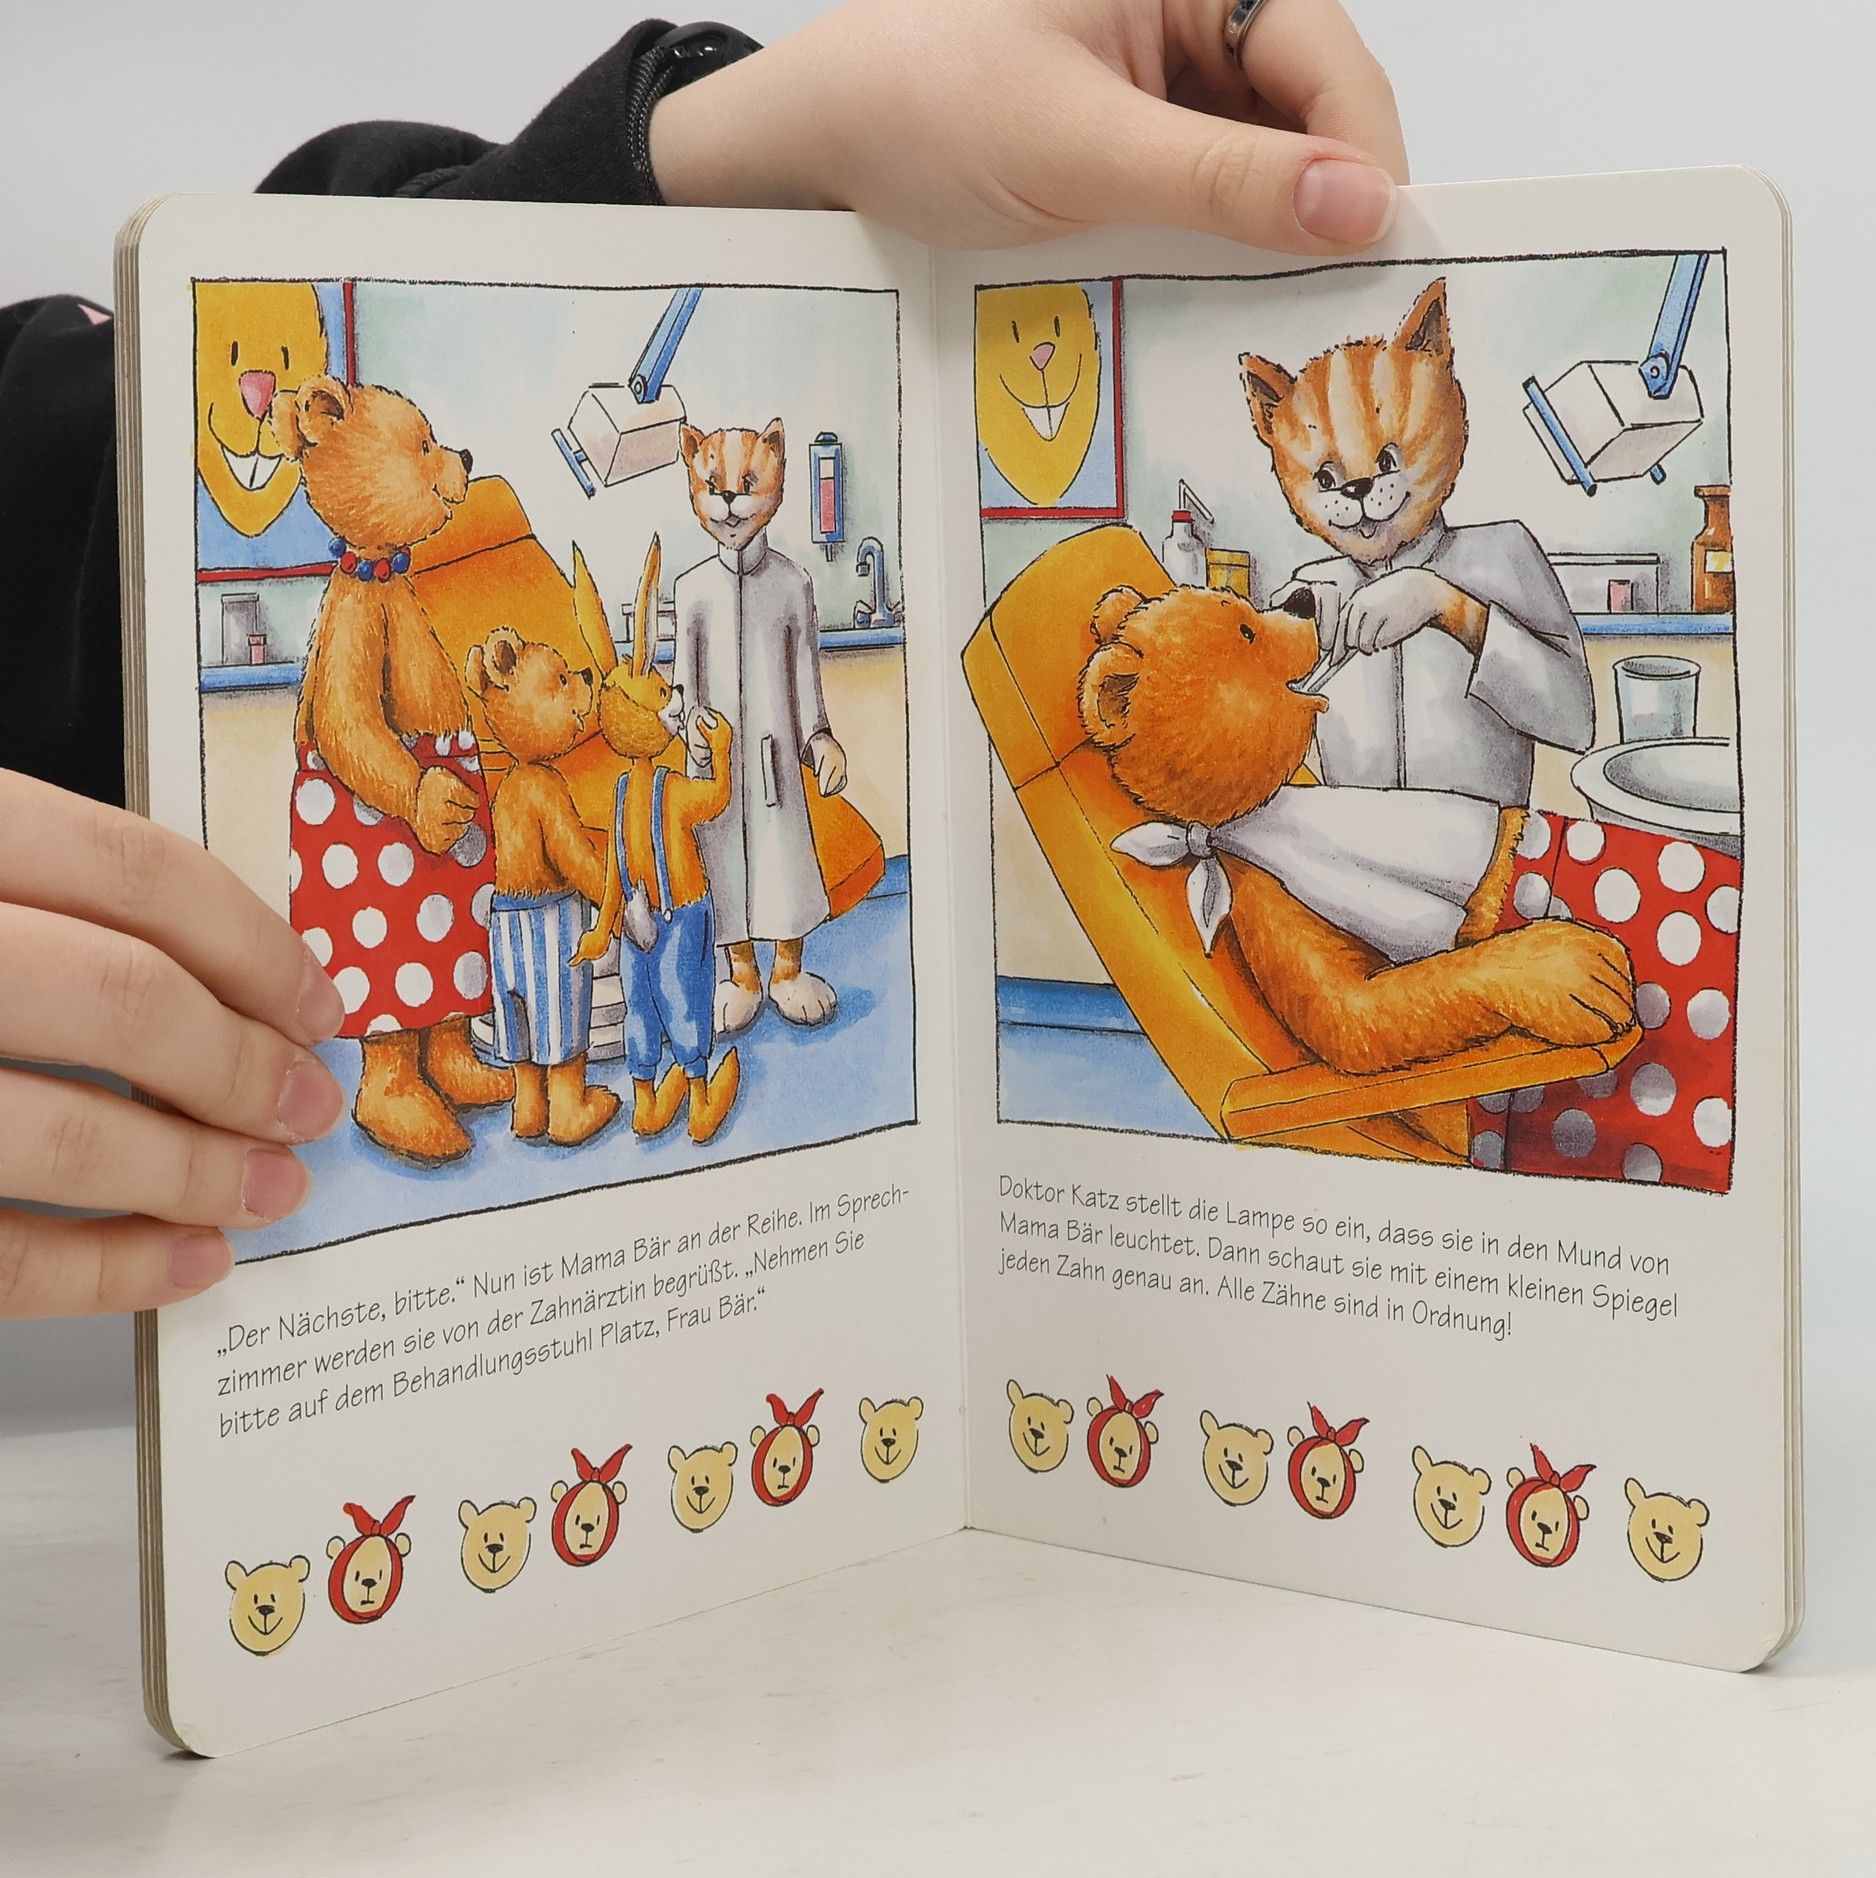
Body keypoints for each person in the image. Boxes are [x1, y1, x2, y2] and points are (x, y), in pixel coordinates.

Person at [0, 0, 1406, 1318]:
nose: (453, 463)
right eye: (421, 451)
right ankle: (424, 1060)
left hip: (674, 758)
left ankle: (612, 1006)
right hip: (428, 811)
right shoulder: (388, 598)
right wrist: (563, 744)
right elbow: (372, 713)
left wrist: (730, 138)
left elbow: (78, 476)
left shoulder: (763, 579)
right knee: (466, 932)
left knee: (692, 871)